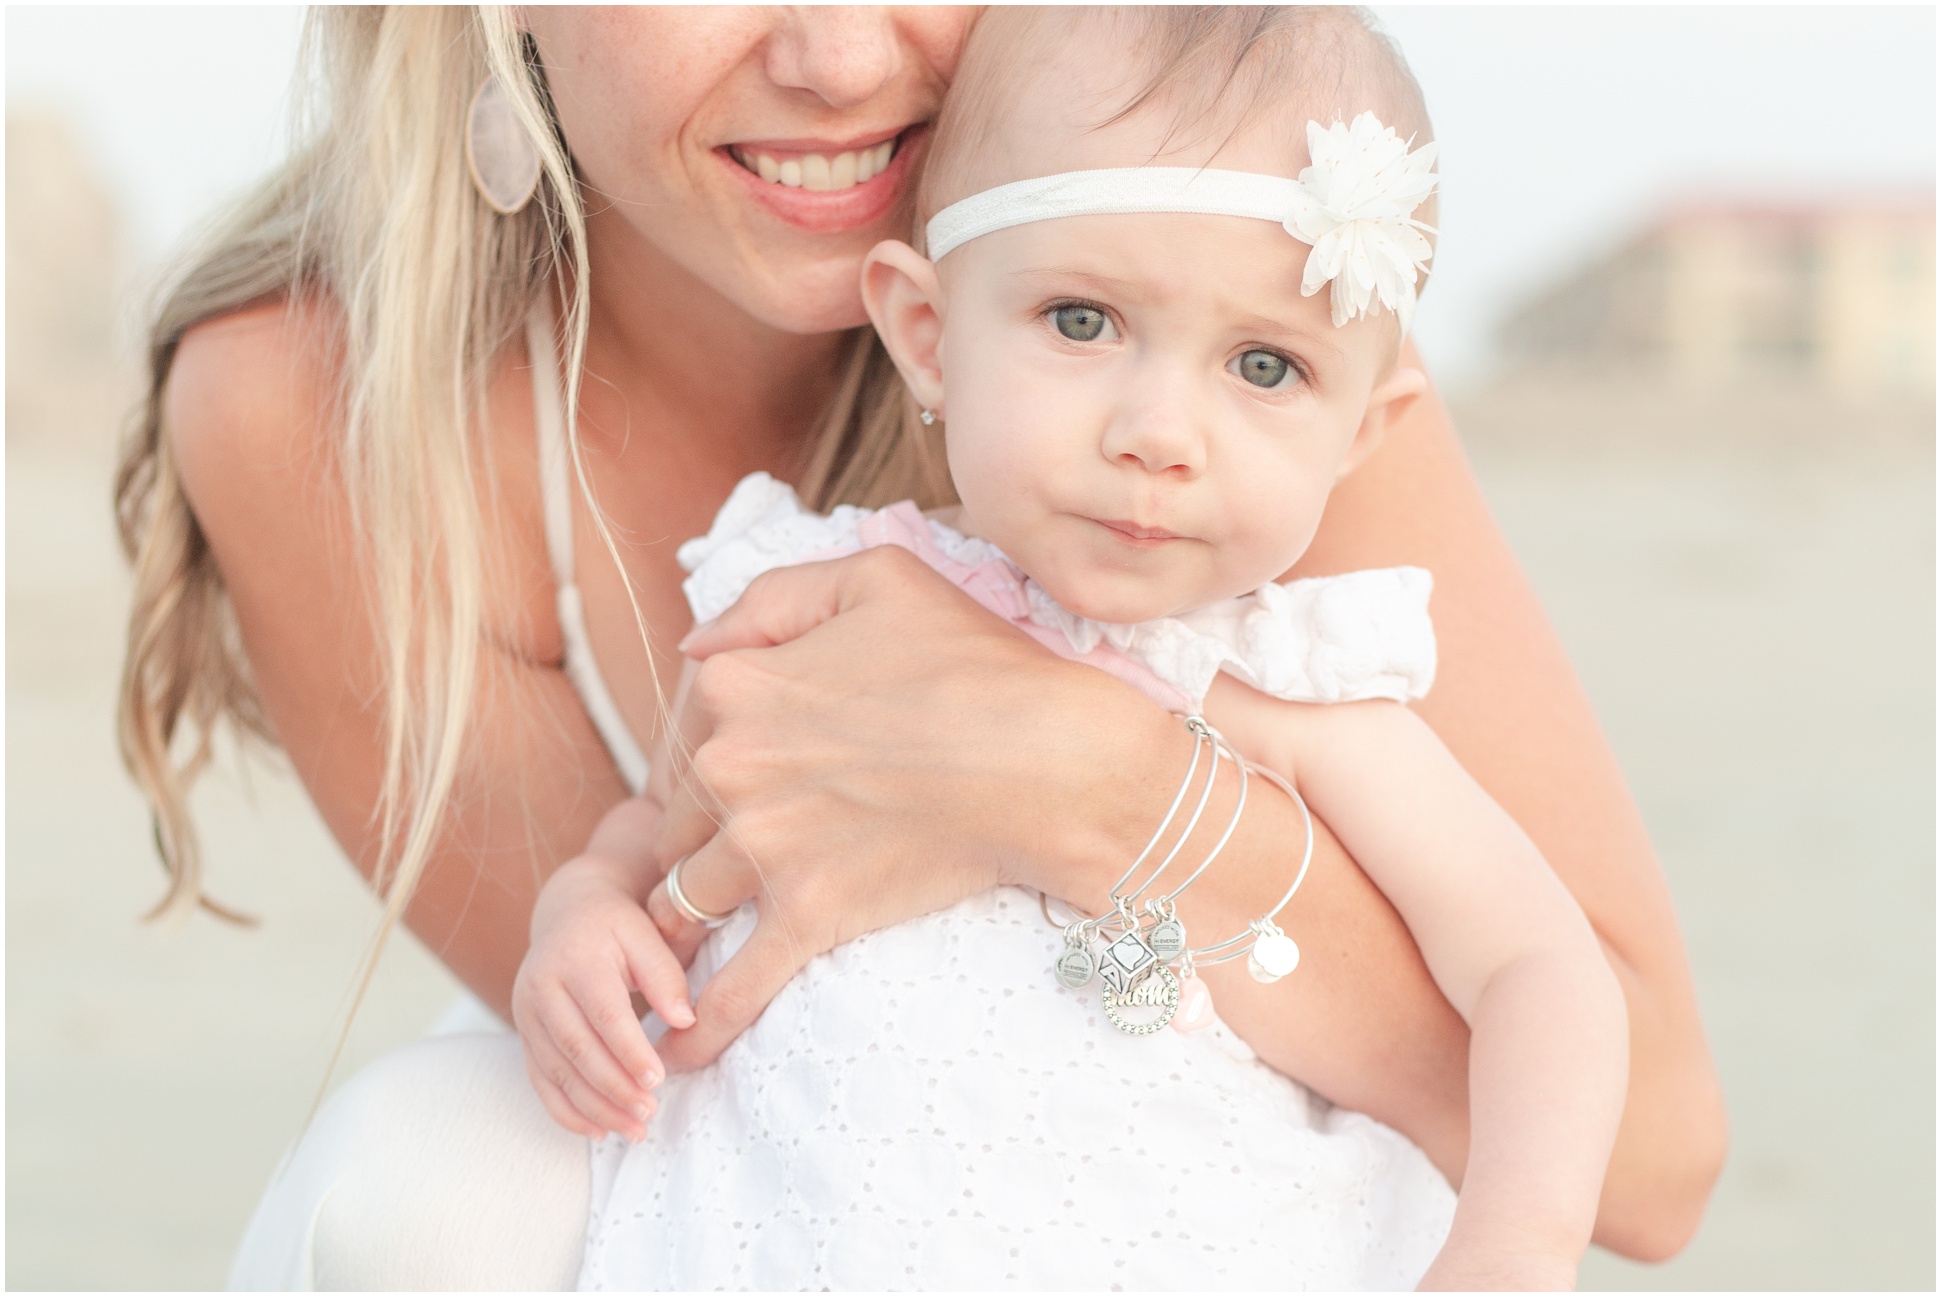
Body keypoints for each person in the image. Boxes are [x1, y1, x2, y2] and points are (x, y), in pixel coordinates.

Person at [113, 6, 1722, 1289]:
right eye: (1078, 322)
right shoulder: (323, 409)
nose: (834, 54)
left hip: (1202, 1187)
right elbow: (679, 1013)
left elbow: (1647, 1156)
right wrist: (588, 921)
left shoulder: (1242, 326)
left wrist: (1093, 787)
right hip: (825, 1177)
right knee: (424, 1179)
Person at [519, 10, 1628, 1289]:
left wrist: (1516, 1242)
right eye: (1083, 321)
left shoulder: (1286, 691)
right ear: (928, 332)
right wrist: (583, 922)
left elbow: (1542, 968)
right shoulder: (804, 602)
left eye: (1264, 364)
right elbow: (652, 834)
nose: (1160, 431)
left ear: (1361, 434)